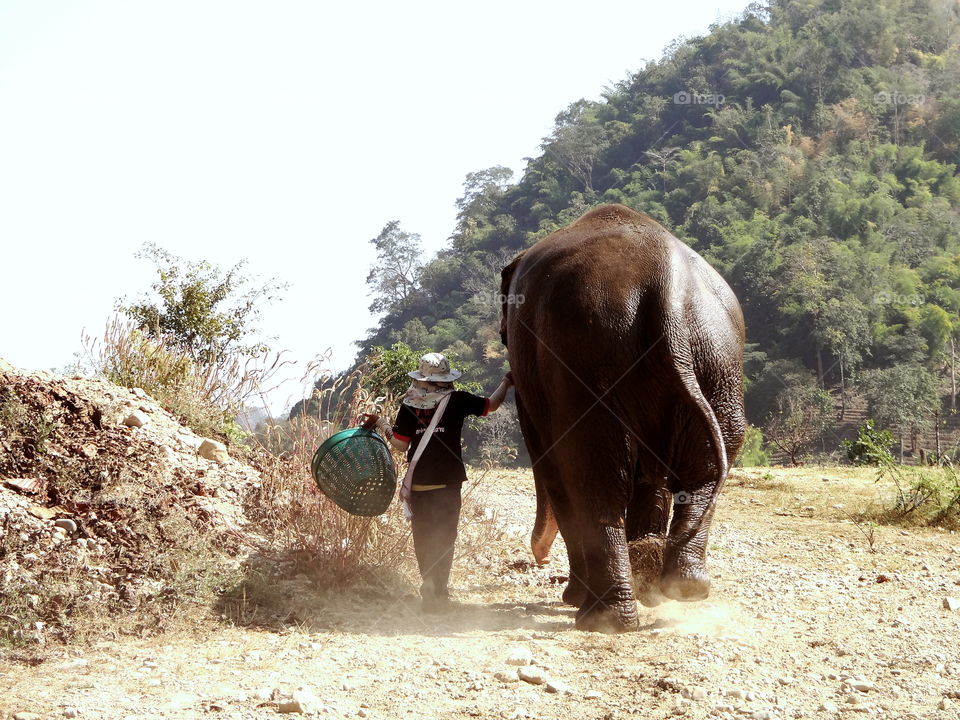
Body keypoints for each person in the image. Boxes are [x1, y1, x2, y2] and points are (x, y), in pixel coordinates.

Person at [362, 352, 512, 612]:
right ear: (446, 378)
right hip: (448, 482)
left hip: (419, 483)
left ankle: (429, 583)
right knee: (445, 537)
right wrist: (507, 382)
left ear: (422, 378)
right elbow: (491, 405)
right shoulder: (459, 399)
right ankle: (439, 590)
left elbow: (399, 444)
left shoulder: (410, 403)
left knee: (423, 537)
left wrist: (382, 424)